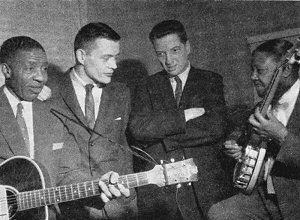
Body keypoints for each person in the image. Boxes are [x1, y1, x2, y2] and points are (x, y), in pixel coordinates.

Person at [0, 36, 130, 220]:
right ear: (7, 70)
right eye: (30, 68)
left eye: (44, 69)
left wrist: (98, 185)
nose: (41, 77)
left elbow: (67, 172)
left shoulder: (54, 112)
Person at [128, 19, 231, 220]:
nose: (168, 60)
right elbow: (138, 129)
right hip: (164, 194)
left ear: (188, 47)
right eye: (161, 53)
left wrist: (161, 137)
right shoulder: (146, 86)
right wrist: (184, 118)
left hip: (206, 187)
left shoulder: (210, 80)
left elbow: (215, 127)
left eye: (175, 50)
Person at [49, 22, 137, 219]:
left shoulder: (121, 92)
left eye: (116, 57)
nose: (114, 65)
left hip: (120, 205)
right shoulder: (49, 94)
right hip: (75, 208)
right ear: (81, 56)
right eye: (106, 58)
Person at [208, 39, 300, 220]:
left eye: (260, 71)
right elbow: (244, 138)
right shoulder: (262, 107)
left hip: (295, 198)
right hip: (267, 196)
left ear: (286, 70)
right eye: (252, 70)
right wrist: (238, 149)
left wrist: (281, 135)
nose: (252, 76)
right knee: (220, 213)